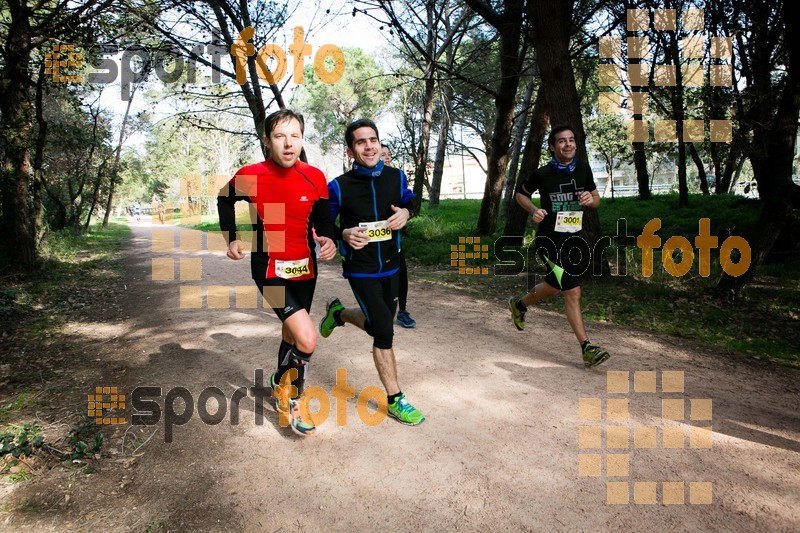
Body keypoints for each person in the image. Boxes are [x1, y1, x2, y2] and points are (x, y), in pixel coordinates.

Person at [217, 109, 337, 436]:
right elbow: (224, 200)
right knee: (308, 338)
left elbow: (324, 220)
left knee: (291, 334)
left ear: (302, 139)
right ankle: (291, 397)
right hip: (267, 269)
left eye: (295, 136)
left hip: (305, 269)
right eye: (280, 136)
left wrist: (329, 239)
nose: (288, 144)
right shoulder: (252, 174)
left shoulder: (315, 176)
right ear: (267, 141)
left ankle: (277, 380)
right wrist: (232, 238)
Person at [319, 119, 425, 425]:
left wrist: (407, 212)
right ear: (351, 149)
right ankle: (396, 398)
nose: (369, 146)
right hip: (361, 268)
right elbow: (324, 224)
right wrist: (343, 235)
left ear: (379, 143)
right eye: (361, 142)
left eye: (373, 140)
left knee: (382, 323)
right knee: (384, 330)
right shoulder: (339, 186)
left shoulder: (395, 177)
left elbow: (411, 201)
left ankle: (338, 315)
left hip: (391, 265)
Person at [508, 125, 610, 368]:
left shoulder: (583, 170)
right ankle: (587, 347)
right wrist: (534, 209)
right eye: (562, 141)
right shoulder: (543, 174)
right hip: (549, 241)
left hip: (573, 240)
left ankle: (519, 304)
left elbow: (595, 199)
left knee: (554, 288)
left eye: (571, 140)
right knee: (572, 291)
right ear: (553, 147)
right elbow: (520, 195)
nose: (568, 144)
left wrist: (590, 200)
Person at [380, 143, 416, 328]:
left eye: (388, 155)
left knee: (401, 276)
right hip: (279, 249)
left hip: (394, 241)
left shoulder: (396, 178)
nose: (386, 158)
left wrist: (404, 212)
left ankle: (401, 311)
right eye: (382, 154)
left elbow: (410, 205)